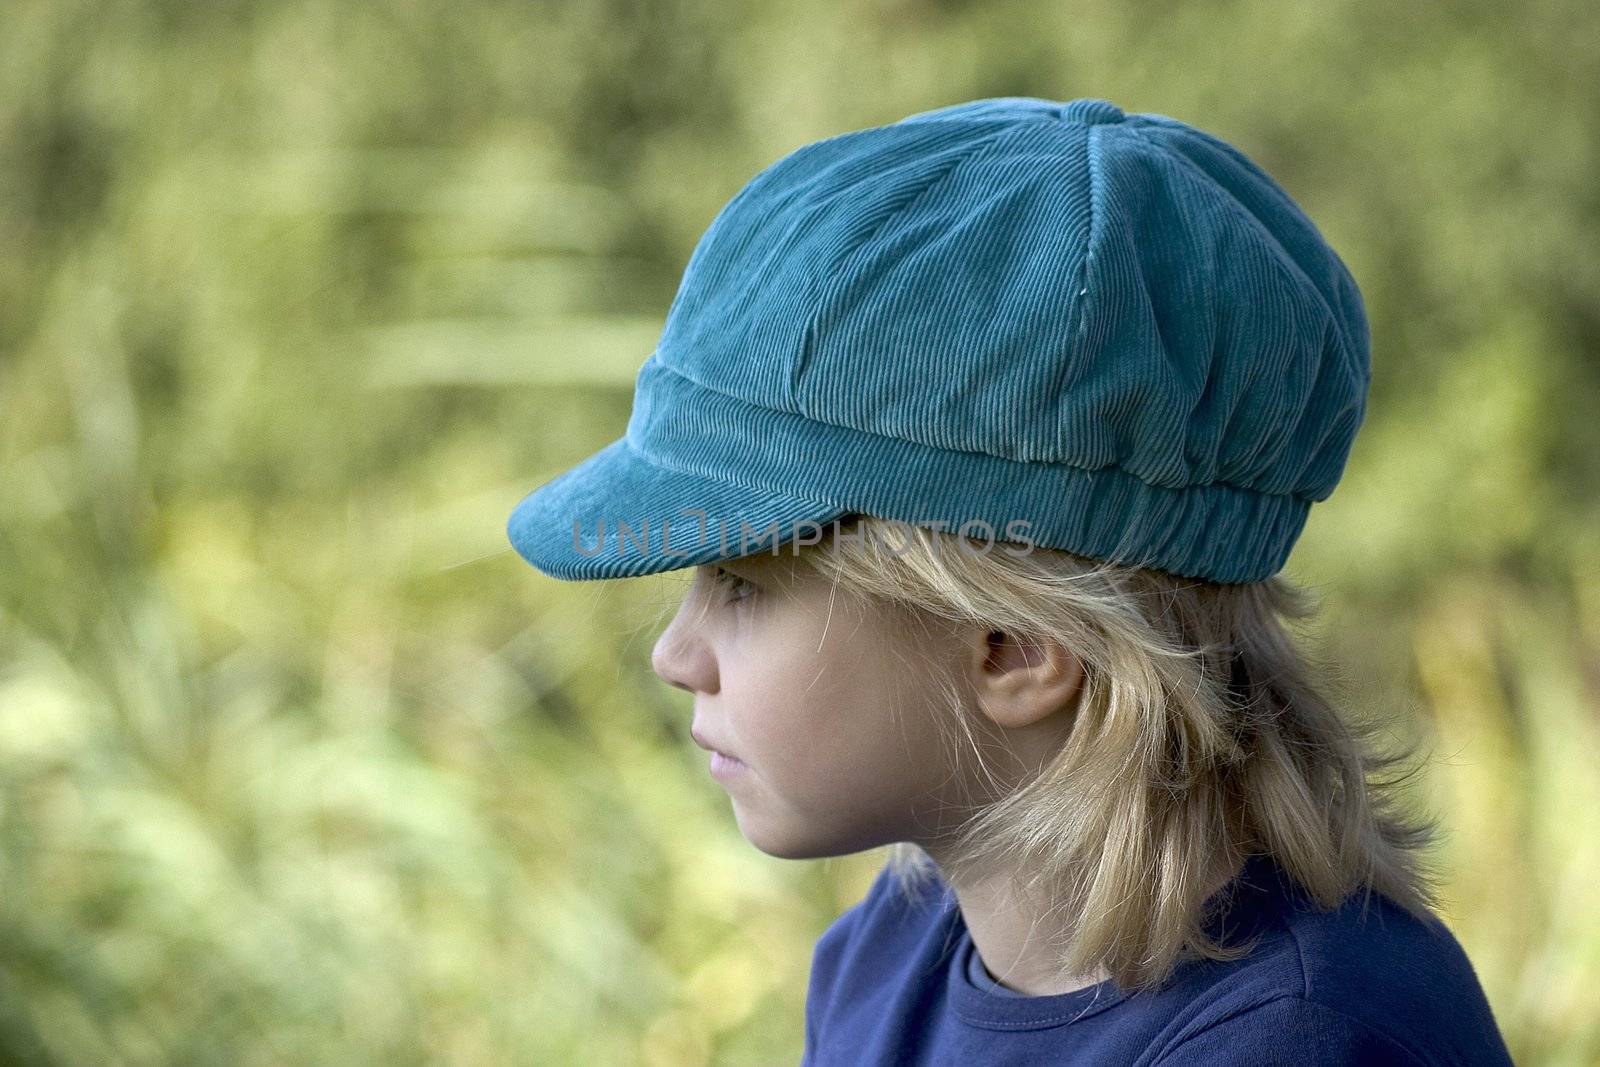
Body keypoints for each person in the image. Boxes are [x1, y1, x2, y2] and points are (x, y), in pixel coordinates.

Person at [505, 96, 1516, 1065]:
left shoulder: (1301, 1040)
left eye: (739, 585)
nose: (673, 653)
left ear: (1016, 649)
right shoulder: (888, 954)